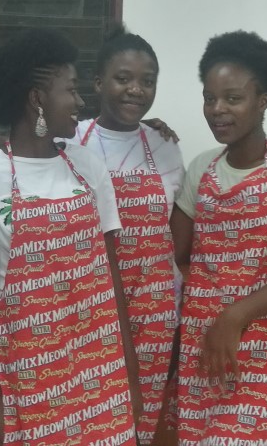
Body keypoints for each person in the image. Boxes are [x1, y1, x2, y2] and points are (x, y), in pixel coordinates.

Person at [0, 28, 141, 446]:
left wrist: (129, 370)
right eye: (70, 90)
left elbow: (111, 277)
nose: (79, 102)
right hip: (28, 379)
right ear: (37, 98)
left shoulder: (87, 166)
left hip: (100, 372)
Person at [170, 31, 267, 446]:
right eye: (209, 98)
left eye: (233, 98)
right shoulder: (202, 168)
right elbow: (177, 252)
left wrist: (233, 316)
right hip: (206, 349)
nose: (217, 109)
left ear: (263, 101)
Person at [75, 26, 183, 445]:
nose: (136, 89)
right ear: (98, 82)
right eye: (123, 78)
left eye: (147, 81)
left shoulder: (165, 144)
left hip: (156, 309)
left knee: (143, 419)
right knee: (94, 418)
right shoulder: (71, 141)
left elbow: (176, 231)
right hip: (93, 309)